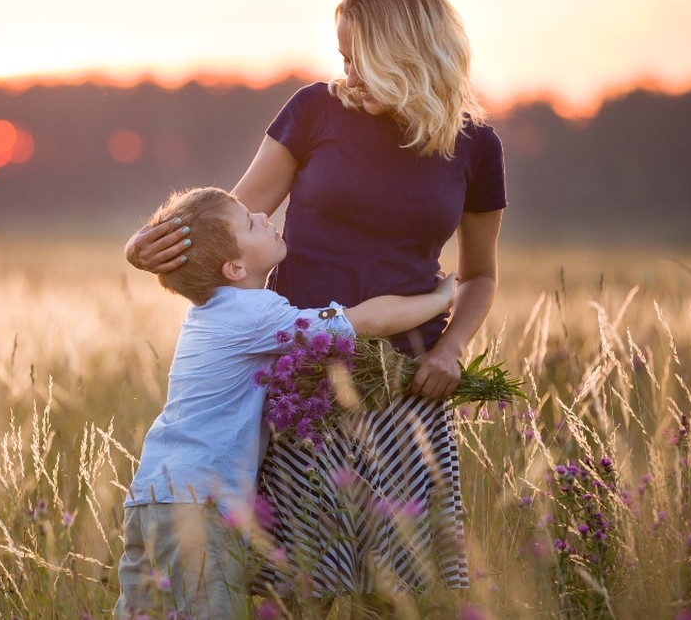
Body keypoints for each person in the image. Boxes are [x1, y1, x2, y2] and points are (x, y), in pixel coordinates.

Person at [125, 0, 506, 610]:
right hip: (303, 386)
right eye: (343, 55)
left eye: (361, 57)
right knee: (296, 589)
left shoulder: (475, 148)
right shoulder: (314, 111)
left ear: (407, 53)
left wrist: (450, 349)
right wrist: (145, 247)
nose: (347, 71)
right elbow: (230, 227)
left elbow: (480, 275)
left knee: (404, 592)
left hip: (407, 386)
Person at [115, 186, 457, 619]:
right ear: (235, 267)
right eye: (248, 222)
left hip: (151, 495)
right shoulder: (256, 314)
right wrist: (441, 299)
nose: (262, 215)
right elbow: (365, 319)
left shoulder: (210, 313)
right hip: (198, 502)